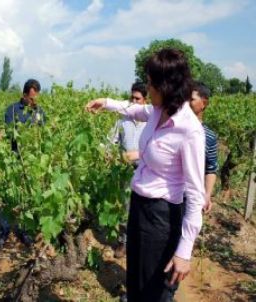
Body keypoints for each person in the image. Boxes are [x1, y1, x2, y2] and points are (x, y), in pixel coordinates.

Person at [86, 48, 205, 302]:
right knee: (135, 281)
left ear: (167, 85)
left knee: (154, 289)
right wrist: (105, 103)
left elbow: (195, 195)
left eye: (151, 83)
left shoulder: (189, 130)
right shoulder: (156, 111)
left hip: (161, 218)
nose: (147, 88)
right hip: (139, 209)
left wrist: (184, 252)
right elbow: (133, 110)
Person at [0, 79, 46, 248]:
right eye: (31, 98)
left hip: (32, 162)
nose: (34, 102)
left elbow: (43, 133)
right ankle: (4, 231)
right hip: (15, 159)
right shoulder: (12, 110)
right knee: (9, 194)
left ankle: (23, 230)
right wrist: (27, 132)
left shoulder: (39, 111)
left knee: (26, 196)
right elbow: (11, 133)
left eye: (36, 98)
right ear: (24, 95)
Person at [106, 82, 148, 258]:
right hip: (125, 170)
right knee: (125, 207)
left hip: (146, 170)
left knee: (145, 208)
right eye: (131, 97)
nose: (133, 100)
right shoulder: (122, 120)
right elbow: (110, 140)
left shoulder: (151, 122)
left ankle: (141, 242)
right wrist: (107, 153)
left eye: (137, 98)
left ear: (145, 101)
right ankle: (124, 241)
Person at [190, 82, 218, 213]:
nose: (186, 103)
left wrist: (207, 195)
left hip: (192, 198)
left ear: (204, 103)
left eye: (191, 99)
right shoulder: (173, 128)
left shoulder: (209, 136)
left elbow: (211, 169)